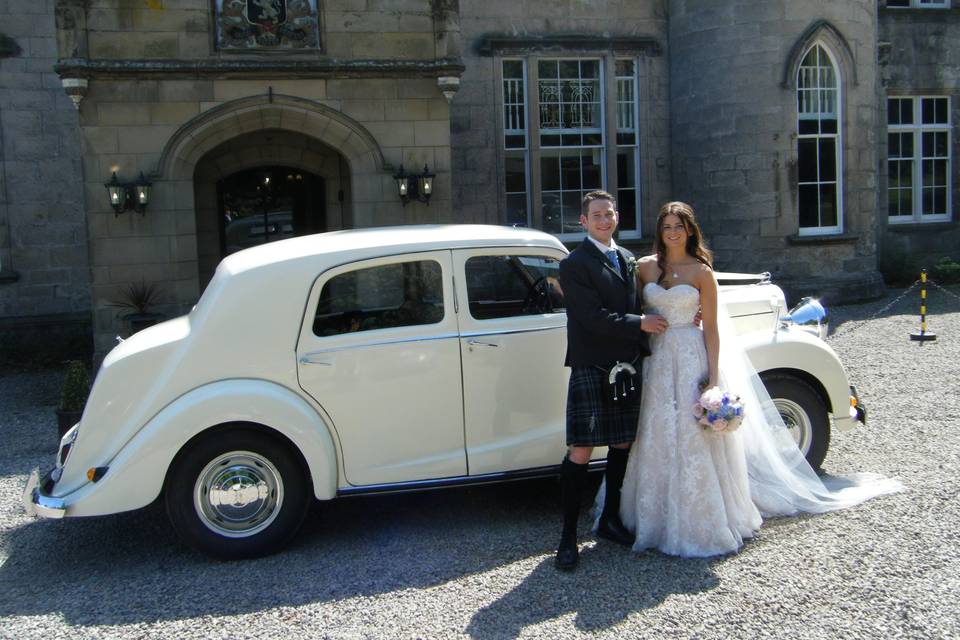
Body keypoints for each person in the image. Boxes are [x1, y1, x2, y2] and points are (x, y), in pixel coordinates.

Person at [613, 201, 903, 557]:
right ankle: (652, 516)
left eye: (679, 226)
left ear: (689, 230)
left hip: (690, 353)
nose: (672, 232)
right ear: (659, 230)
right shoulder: (644, 268)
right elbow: (632, 308)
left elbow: (714, 328)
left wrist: (714, 376)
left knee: (691, 433)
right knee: (657, 428)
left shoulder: (701, 272)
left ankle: (699, 518)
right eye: (667, 226)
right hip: (657, 357)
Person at [554, 190, 669, 571]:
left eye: (609, 213)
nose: (604, 220)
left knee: (622, 442)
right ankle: (567, 538)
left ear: (616, 217)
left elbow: (639, 304)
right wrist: (640, 324)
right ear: (583, 222)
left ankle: (608, 521)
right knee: (582, 450)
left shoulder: (626, 258)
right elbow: (590, 316)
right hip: (592, 364)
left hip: (626, 363)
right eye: (596, 215)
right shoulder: (574, 263)